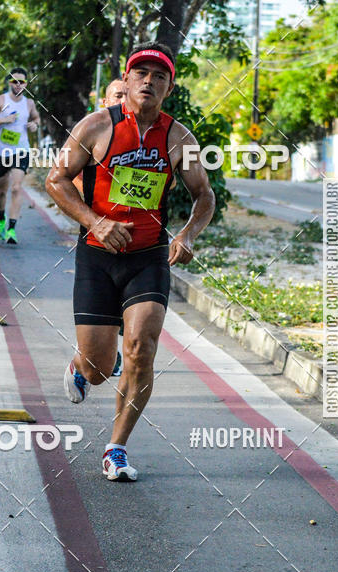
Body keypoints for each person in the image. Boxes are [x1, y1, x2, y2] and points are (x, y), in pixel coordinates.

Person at [46, 42, 215, 481]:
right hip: (98, 256)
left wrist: (188, 233)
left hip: (148, 256)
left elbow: (204, 196)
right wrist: (94, 221)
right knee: (101, 368)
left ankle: (116, 447)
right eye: (141, 73)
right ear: (127, 80)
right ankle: (82, 366)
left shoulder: (180, 138)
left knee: (141, 349)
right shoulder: (95, 126)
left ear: (169, 87)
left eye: (159, 76)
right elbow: (56, 179)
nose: (149, 81)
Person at [0, 67, 40, 244]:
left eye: (22, 82)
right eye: (15, 81)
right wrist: (4, 120)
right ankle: (1, 217)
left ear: (26, 84)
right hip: (0, 151)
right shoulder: (0, 100)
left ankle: (12, 229)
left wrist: (34, 125)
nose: (18, 85)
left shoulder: (29, 103)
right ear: (9, 82)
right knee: (2, 191)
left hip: (21, 150)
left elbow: (36, 118)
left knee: (16, 188)